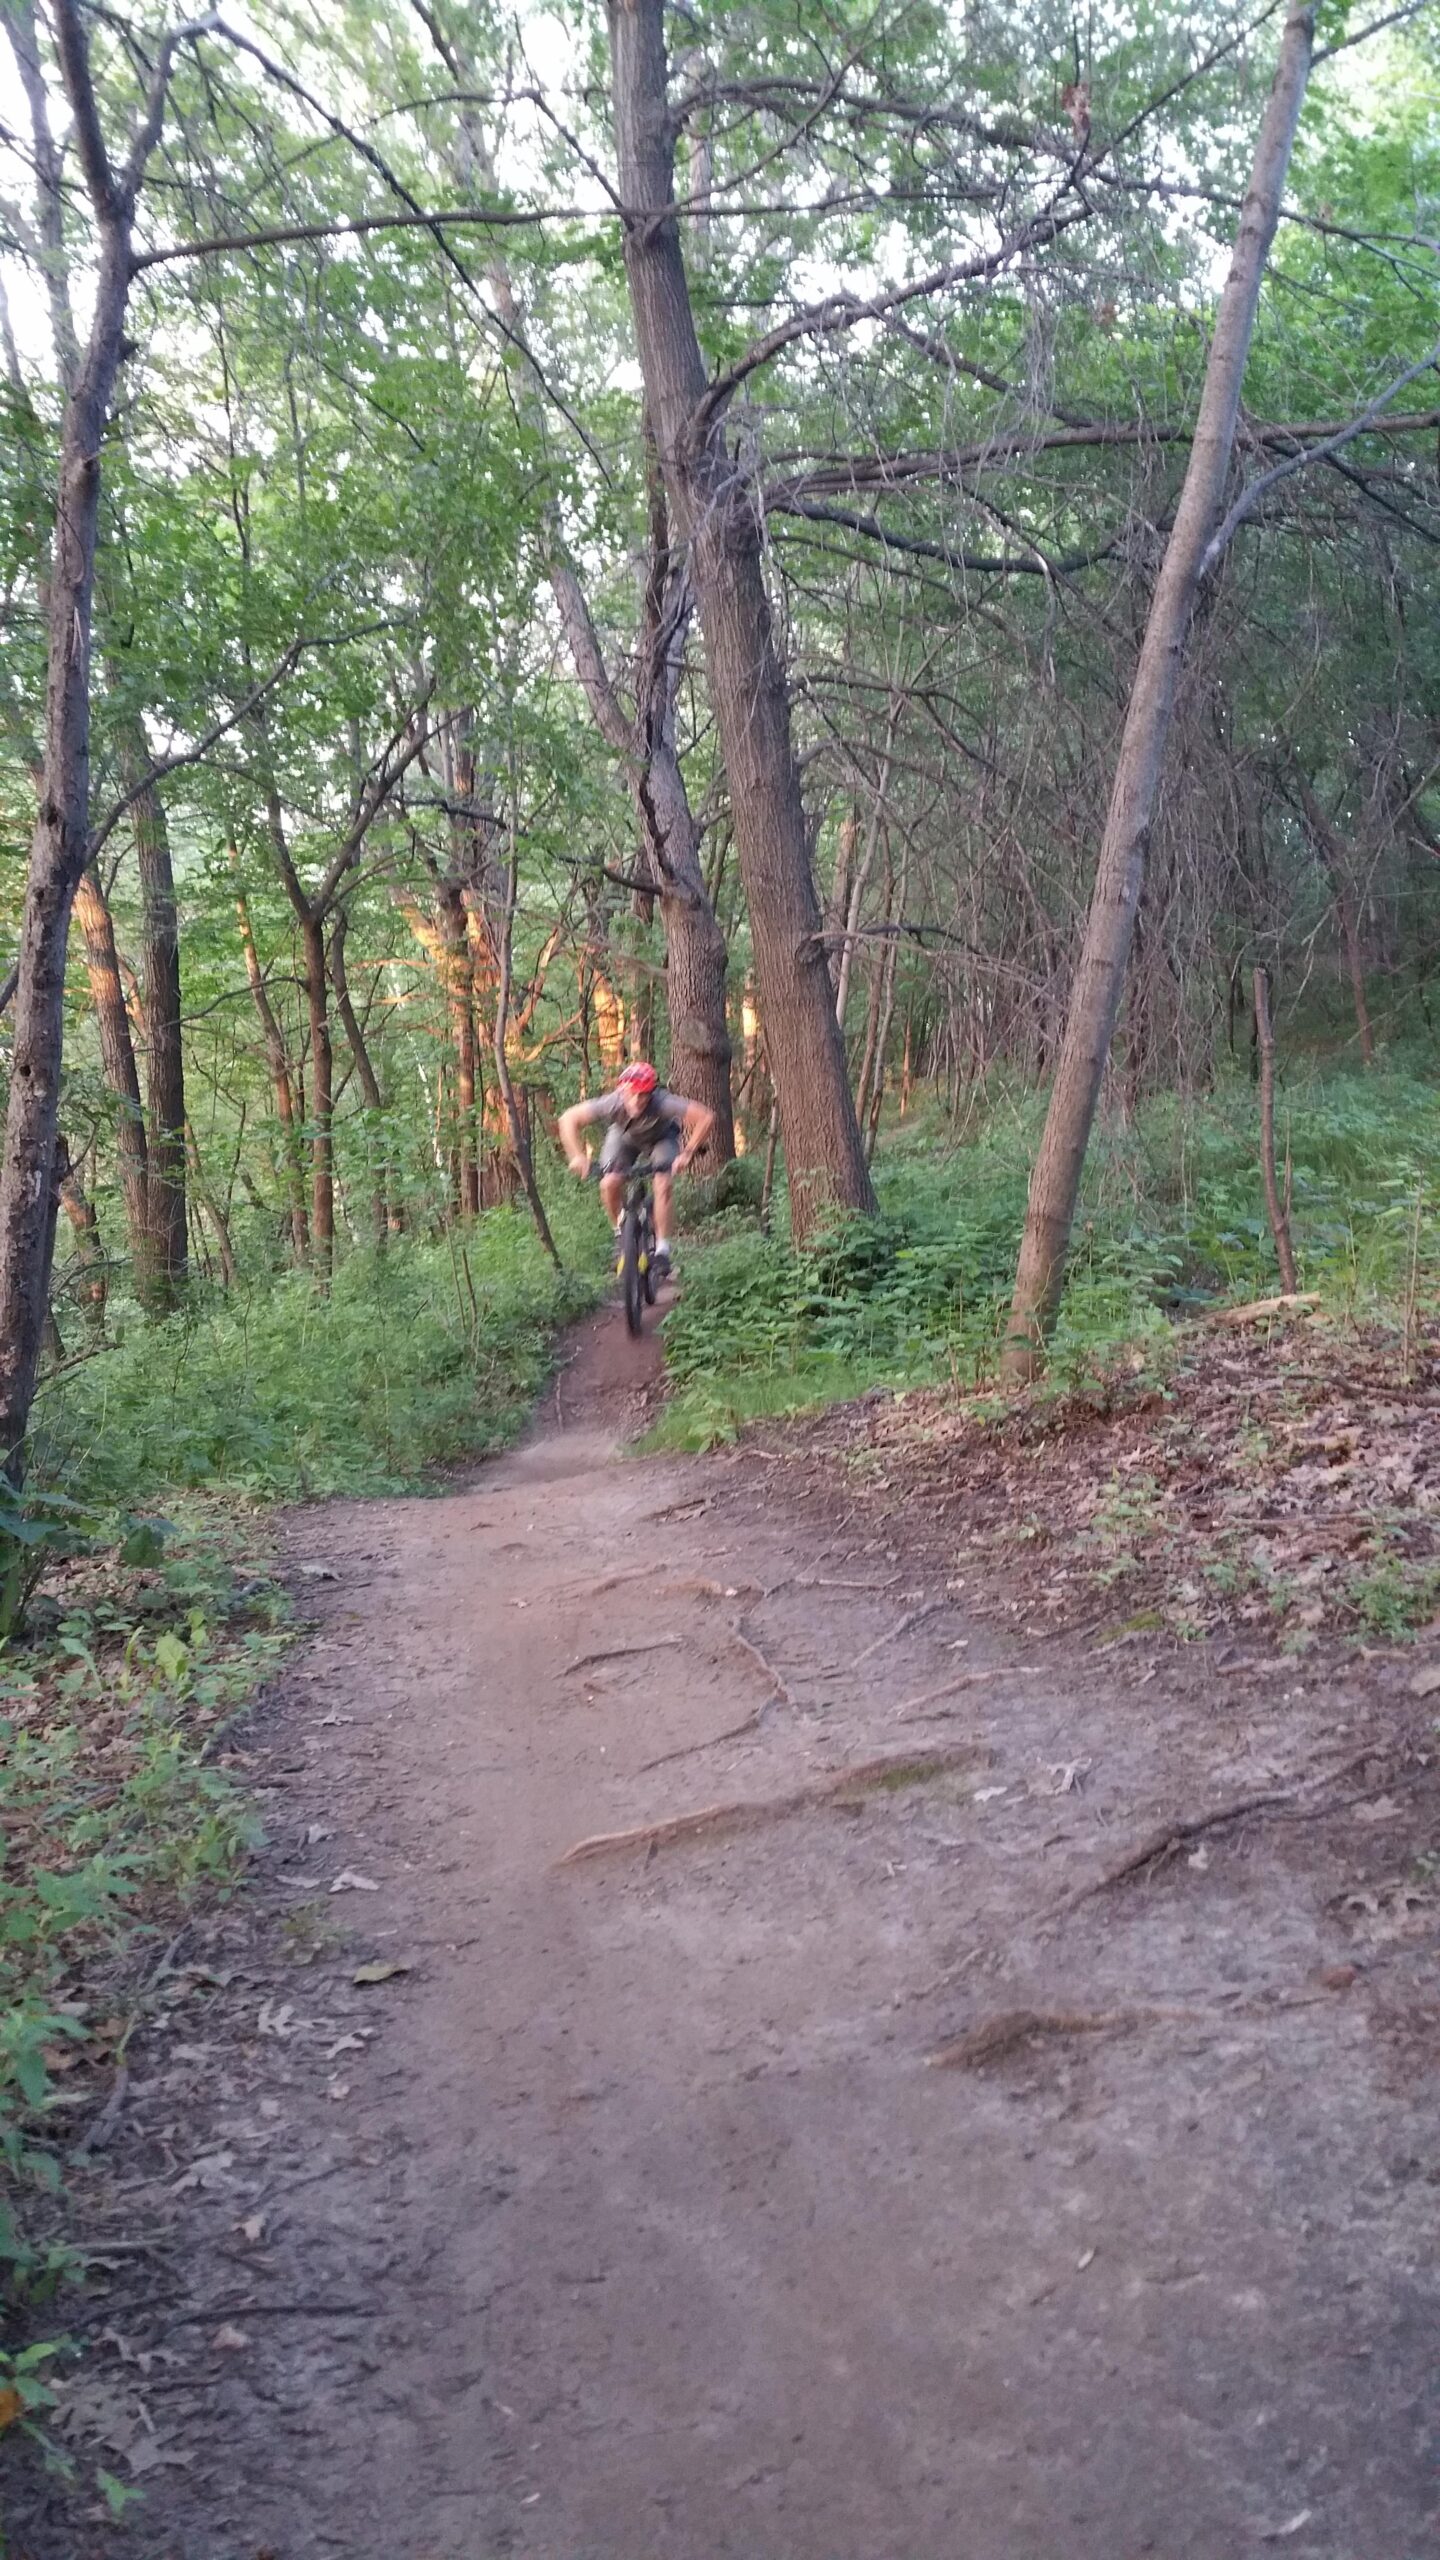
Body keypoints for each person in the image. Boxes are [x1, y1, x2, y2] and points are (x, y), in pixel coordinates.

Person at [558, 1063, 715, 1278]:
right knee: (608, 1182)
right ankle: (620, 1233)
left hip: (661, 1139)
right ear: (622, 1091)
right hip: (624, 1138)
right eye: (631, 1094)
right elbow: (568, 1119)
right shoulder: (612, 1102)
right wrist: (577, 1156)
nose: (636, 1100)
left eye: (643, 1095)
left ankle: (662, 1250)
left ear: (651, 1093)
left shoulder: (662, 1103)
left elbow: (705, 1116)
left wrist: (687, 1153)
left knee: (663, 1182)